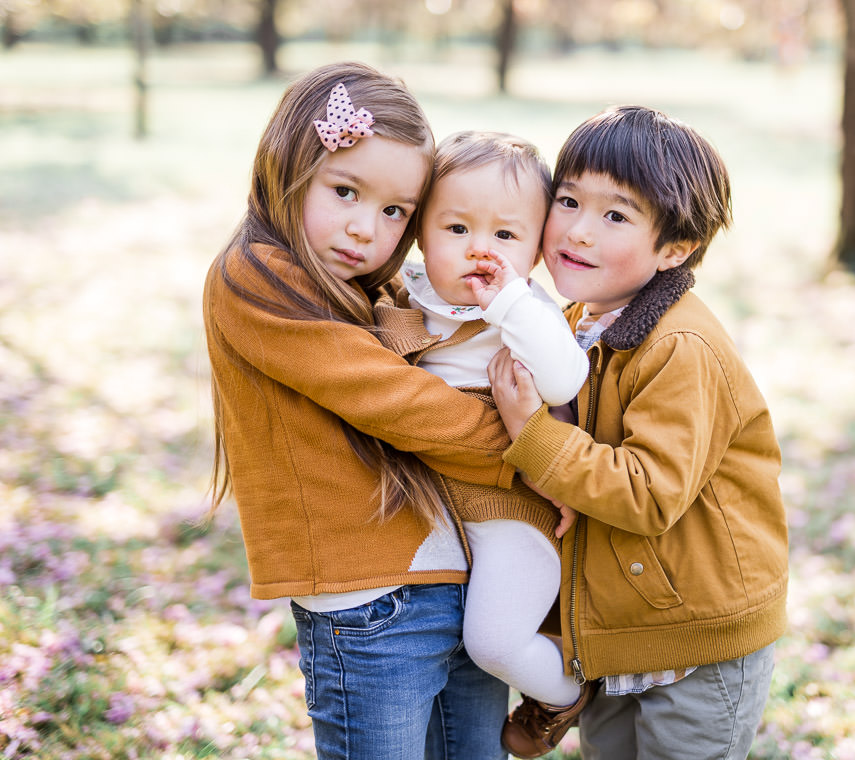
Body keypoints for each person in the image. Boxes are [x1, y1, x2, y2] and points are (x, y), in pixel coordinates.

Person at [202, 62, 514, 760]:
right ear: (290, 166)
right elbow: (401, 405)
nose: (365, 228)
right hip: (366, 605)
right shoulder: (254, 275)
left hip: (455, 581)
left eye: (395, 211)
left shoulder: (381, 291)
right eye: (345, 191)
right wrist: (536, 451)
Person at [488, 105, 789, 759]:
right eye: (567, 200)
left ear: (675, 248)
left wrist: (532, 431)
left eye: (615, 215)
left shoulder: (679, 346)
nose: (579, 231)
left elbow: (649, 493)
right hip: (622, 629)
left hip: (699, 642)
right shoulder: (572, 322)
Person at [372, 129, 592, 728]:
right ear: (421, 233)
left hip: (509, 512)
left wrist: (511, 305)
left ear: (537, 250)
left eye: (506, 234)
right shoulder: (406, 295)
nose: (480, 251)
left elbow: (564, 379)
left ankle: (566, 689)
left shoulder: (525, 313)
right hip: (436, 506)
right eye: (457, 228)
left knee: (491, 644)